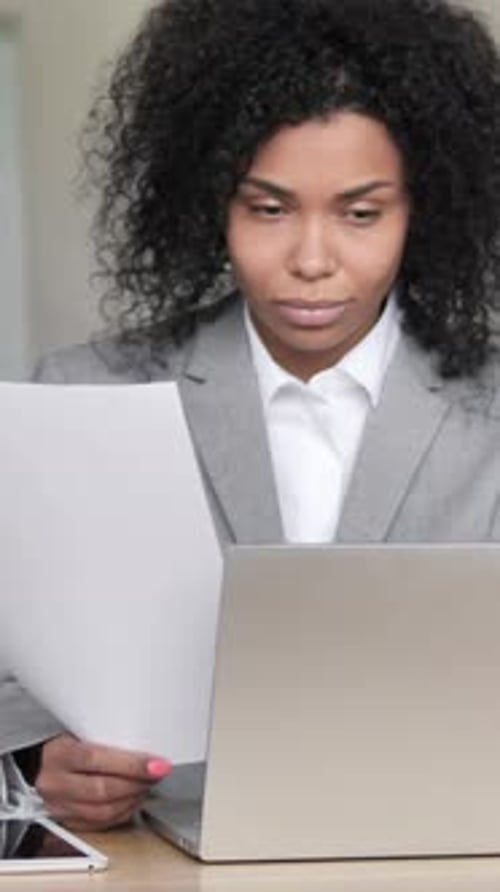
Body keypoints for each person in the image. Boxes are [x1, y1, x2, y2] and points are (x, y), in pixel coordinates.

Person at [2, 0, 500, 832]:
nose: (311, 259)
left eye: (361, 213)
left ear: (426, 209)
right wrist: (31, 762)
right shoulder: (86, 395)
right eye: (268, 209)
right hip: (155, 865)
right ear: (211, 203)